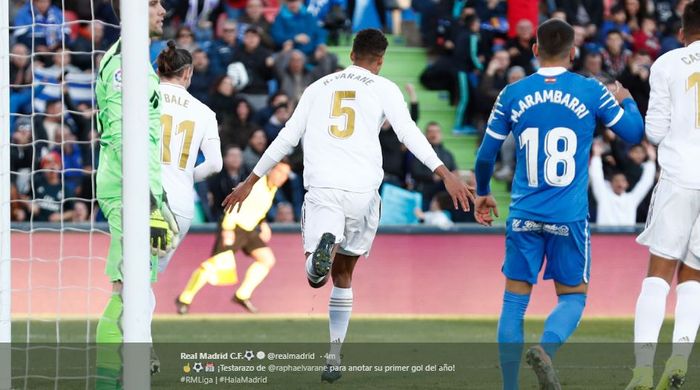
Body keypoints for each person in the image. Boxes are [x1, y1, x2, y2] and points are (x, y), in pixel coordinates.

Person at [221, 28, 474, 383]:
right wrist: (445, 173)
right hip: (364, 192)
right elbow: (408, 133)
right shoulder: (385, 88)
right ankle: (334, 356)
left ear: (352, 54)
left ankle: (315, 262)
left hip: (325, 186)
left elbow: (287, 138)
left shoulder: (317, 87)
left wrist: (250, 180)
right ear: (381, 61)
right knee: (344, 276)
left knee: (316, 277)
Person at [473, 19, 644, 389]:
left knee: (514, 303)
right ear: (573, 52)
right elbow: (633, 133)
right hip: (568, 217)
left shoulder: (511, 93)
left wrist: (484, 190)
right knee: (573, 299)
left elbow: (486, 156)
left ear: (535, 50)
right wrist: (627, 100)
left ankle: (509, 387)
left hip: (523, 216)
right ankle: (546, 350)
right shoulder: (590, 91)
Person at [93, 0, 176, 385]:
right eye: (154, 3)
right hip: (128, 189)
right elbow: (119, 134)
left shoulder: (138, 58)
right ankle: (108, 381)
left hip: (141, 190)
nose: (163, 10)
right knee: (125, 289)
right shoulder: (124, 63)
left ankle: (124, 373)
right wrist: (146, 202)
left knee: (136, 288)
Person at [627, 2, 700, 388]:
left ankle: (642, 371)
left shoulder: (668, 63)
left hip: (678, 179)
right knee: (694, 279)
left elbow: (654, 131)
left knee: (657, 278)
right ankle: (679, 360)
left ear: (684, 32)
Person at [176, 162, 291, 314]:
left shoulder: (272, 187)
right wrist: (227, 228)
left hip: (249, 228)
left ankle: (242, 295)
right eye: (280, 172)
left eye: (285, 175)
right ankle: (185, 298)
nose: (282, 177)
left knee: (267, 260)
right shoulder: (255, 184)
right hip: (234, 226)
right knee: (212, 266)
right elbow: (235, 201)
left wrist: (262, 223)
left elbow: (258, 208)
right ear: (271, 170)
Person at [157, 41, 223, 273]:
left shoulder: (142, 100)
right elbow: (215, 164)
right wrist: (186, 177)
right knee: (149, 278)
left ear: (158, 70)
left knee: (130, 278)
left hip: (143, 199)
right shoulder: (204, 112)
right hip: (179, 203)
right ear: (187, 72)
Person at [589, 140, 656, 226]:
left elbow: (646, 182)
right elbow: (596, 177)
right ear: (610, 183)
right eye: (616, 181)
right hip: (605, 238)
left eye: (622, 181)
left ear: (627, 184)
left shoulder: (631, 199)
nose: (619, 184)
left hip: (626, 239)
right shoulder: (604, 196)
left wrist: (651, 160)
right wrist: (596, 156)